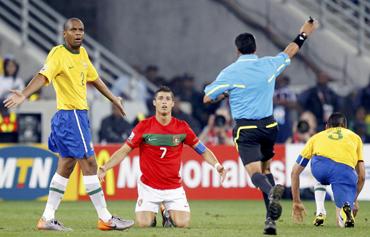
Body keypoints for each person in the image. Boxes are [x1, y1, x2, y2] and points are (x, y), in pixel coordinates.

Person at [3, 18, 134, 231]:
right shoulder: (58, 54)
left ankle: (47, 218)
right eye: (73, 30)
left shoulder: (82, 54)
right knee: (90, 164)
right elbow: (42, 76)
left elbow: (95, 78)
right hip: (71, 115)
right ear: (65, 34)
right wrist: (25, 94)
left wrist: (113, 98)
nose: (78, 33)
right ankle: (106, 218)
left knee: (66, 166)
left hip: (74, 116)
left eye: (81, 29)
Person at [203, 18, 318, 235]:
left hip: (246, 129)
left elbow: (207, 98)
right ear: (255, 48)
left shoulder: (229, 72)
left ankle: (271, 191)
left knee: (256, 174)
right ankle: (270, 222)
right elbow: (290, 50)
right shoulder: (268, 65)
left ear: (237, 50)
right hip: (269, 125)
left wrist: (226, 93)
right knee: (266, 170)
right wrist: (304, 33)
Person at [98, 86, 226, 228]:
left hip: (173, 188)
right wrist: (105, 167)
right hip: (149, 187)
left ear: (172, 103)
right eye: (160, 98)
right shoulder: (144, 126)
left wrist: (217, 165)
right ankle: (154, 214)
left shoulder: (182, 127)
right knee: (145, 224)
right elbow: (123, 151)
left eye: (168, 99)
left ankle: (165, 211)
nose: (164, 102)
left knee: (182, 223)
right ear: (154, 103)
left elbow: (202, 150)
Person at [291, 112, 365, 228]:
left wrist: (296, 201)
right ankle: (345, 210)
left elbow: (295, 172)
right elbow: (362, 176)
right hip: (344, 171)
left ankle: (320, 211)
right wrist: (353, 200)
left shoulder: (316, 137)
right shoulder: (355, 137)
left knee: (319, 175)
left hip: (320, 168)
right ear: (345, 127)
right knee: (341, 223)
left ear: (326, 127)